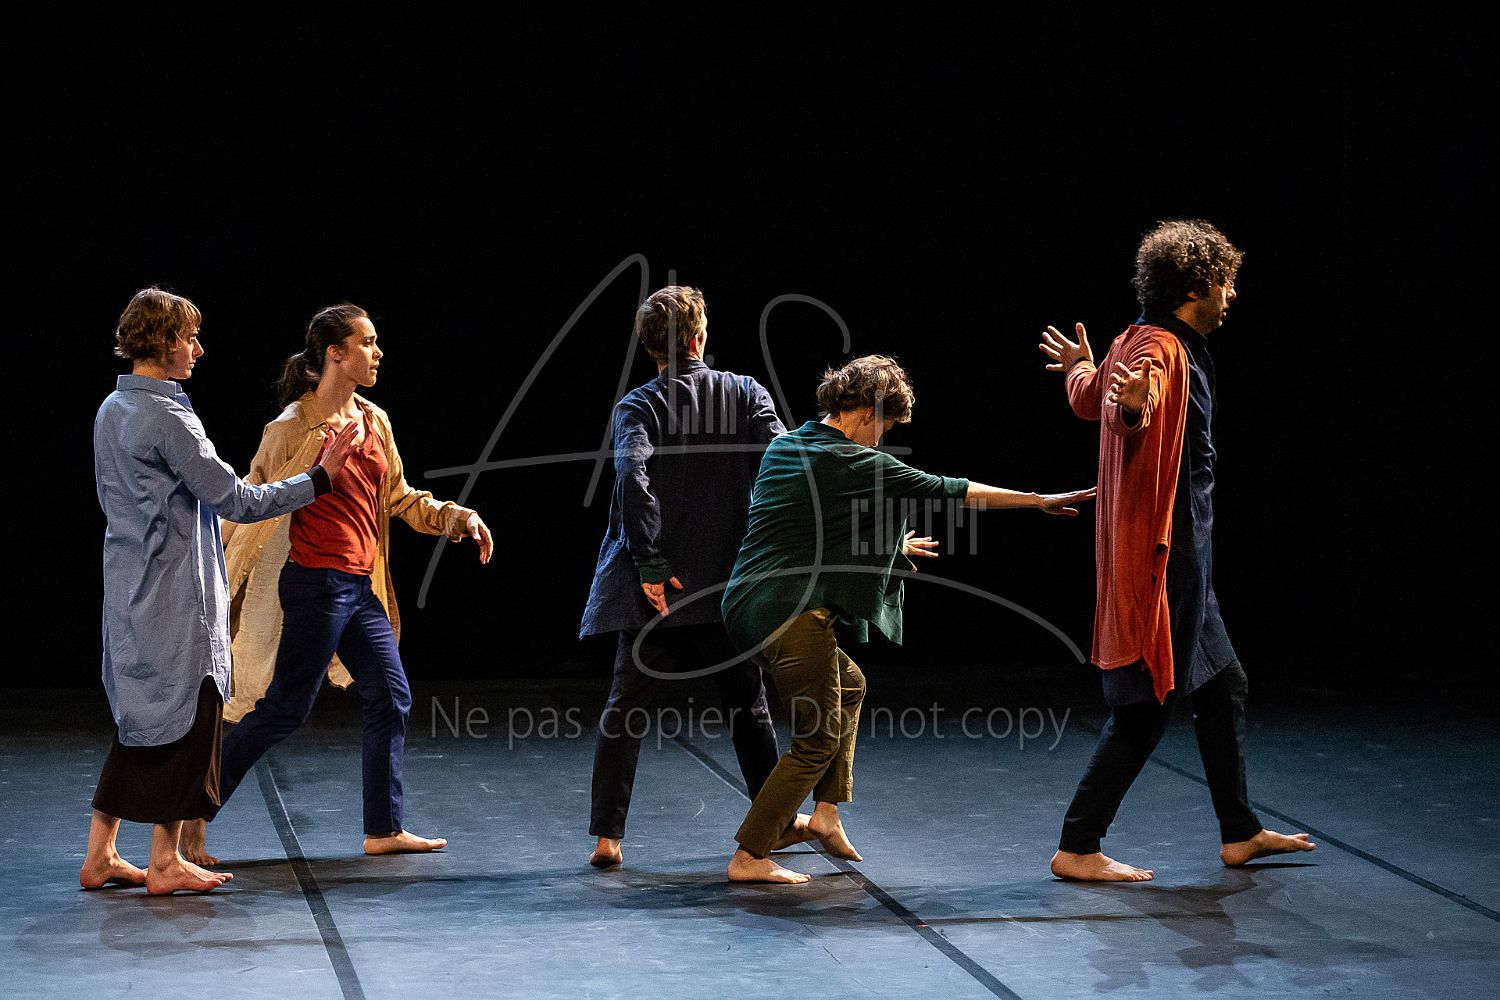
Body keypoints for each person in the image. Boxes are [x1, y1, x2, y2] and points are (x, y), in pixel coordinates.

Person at [722, 355, 1096, 883]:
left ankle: (826, 814)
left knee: (851, 686)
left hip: (745, 606)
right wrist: (1037, 501)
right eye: (886, 426)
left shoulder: (788, 445)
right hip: (789, 614)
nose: (882, 439)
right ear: (868, 414)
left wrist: (891, 545)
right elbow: (954, 490)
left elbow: (804, 522)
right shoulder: (856, 461)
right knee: (816, 740)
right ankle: (749, 855)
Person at [1038, 219, 1316, 882]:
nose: (1231, 295)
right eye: (1226, 283)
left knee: (1223, 685)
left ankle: (1239, 832)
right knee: (1144, 706)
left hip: (1186, 552)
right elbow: (1125, 409)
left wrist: (1080, 369)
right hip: (1164, 556)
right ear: (1196, 286)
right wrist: (1134, 410)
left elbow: (1092, 397)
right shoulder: (1161, 350)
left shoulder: (1133, 338)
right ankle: (1078, 845)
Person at [185, 303, 492, 861]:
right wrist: (217, 564)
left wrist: (456, 517)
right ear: (335, 353)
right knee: (284, 709)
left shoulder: (375, 421)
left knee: (391, 697)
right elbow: (253, 498)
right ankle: (190, 813)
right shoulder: (290, 427)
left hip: (360, 588)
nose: (378, 353)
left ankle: (383, 829)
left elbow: (400, 498)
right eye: (367, 343)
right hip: (314, 585)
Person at [83, 287, 357, 895]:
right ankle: (164, 861)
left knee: (140, 723)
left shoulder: (111, 408)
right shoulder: (168, 417)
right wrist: (318, 479)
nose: (198, 350)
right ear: (162, 342)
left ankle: (100, 855)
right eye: (189, 338)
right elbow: (236, 499)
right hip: (175, 593)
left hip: (129, 585)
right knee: (192, 717)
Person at [581, 285, 793, 869]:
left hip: (661, 593)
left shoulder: (638, 405)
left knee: (626, 708)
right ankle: (773, 824)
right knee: (748, 707)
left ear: (650, 347)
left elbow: (632, 475)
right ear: (700, 337)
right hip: (724, 585)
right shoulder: (744, 393)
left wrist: (650, 560)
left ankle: (607, 838)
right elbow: (783, 462)